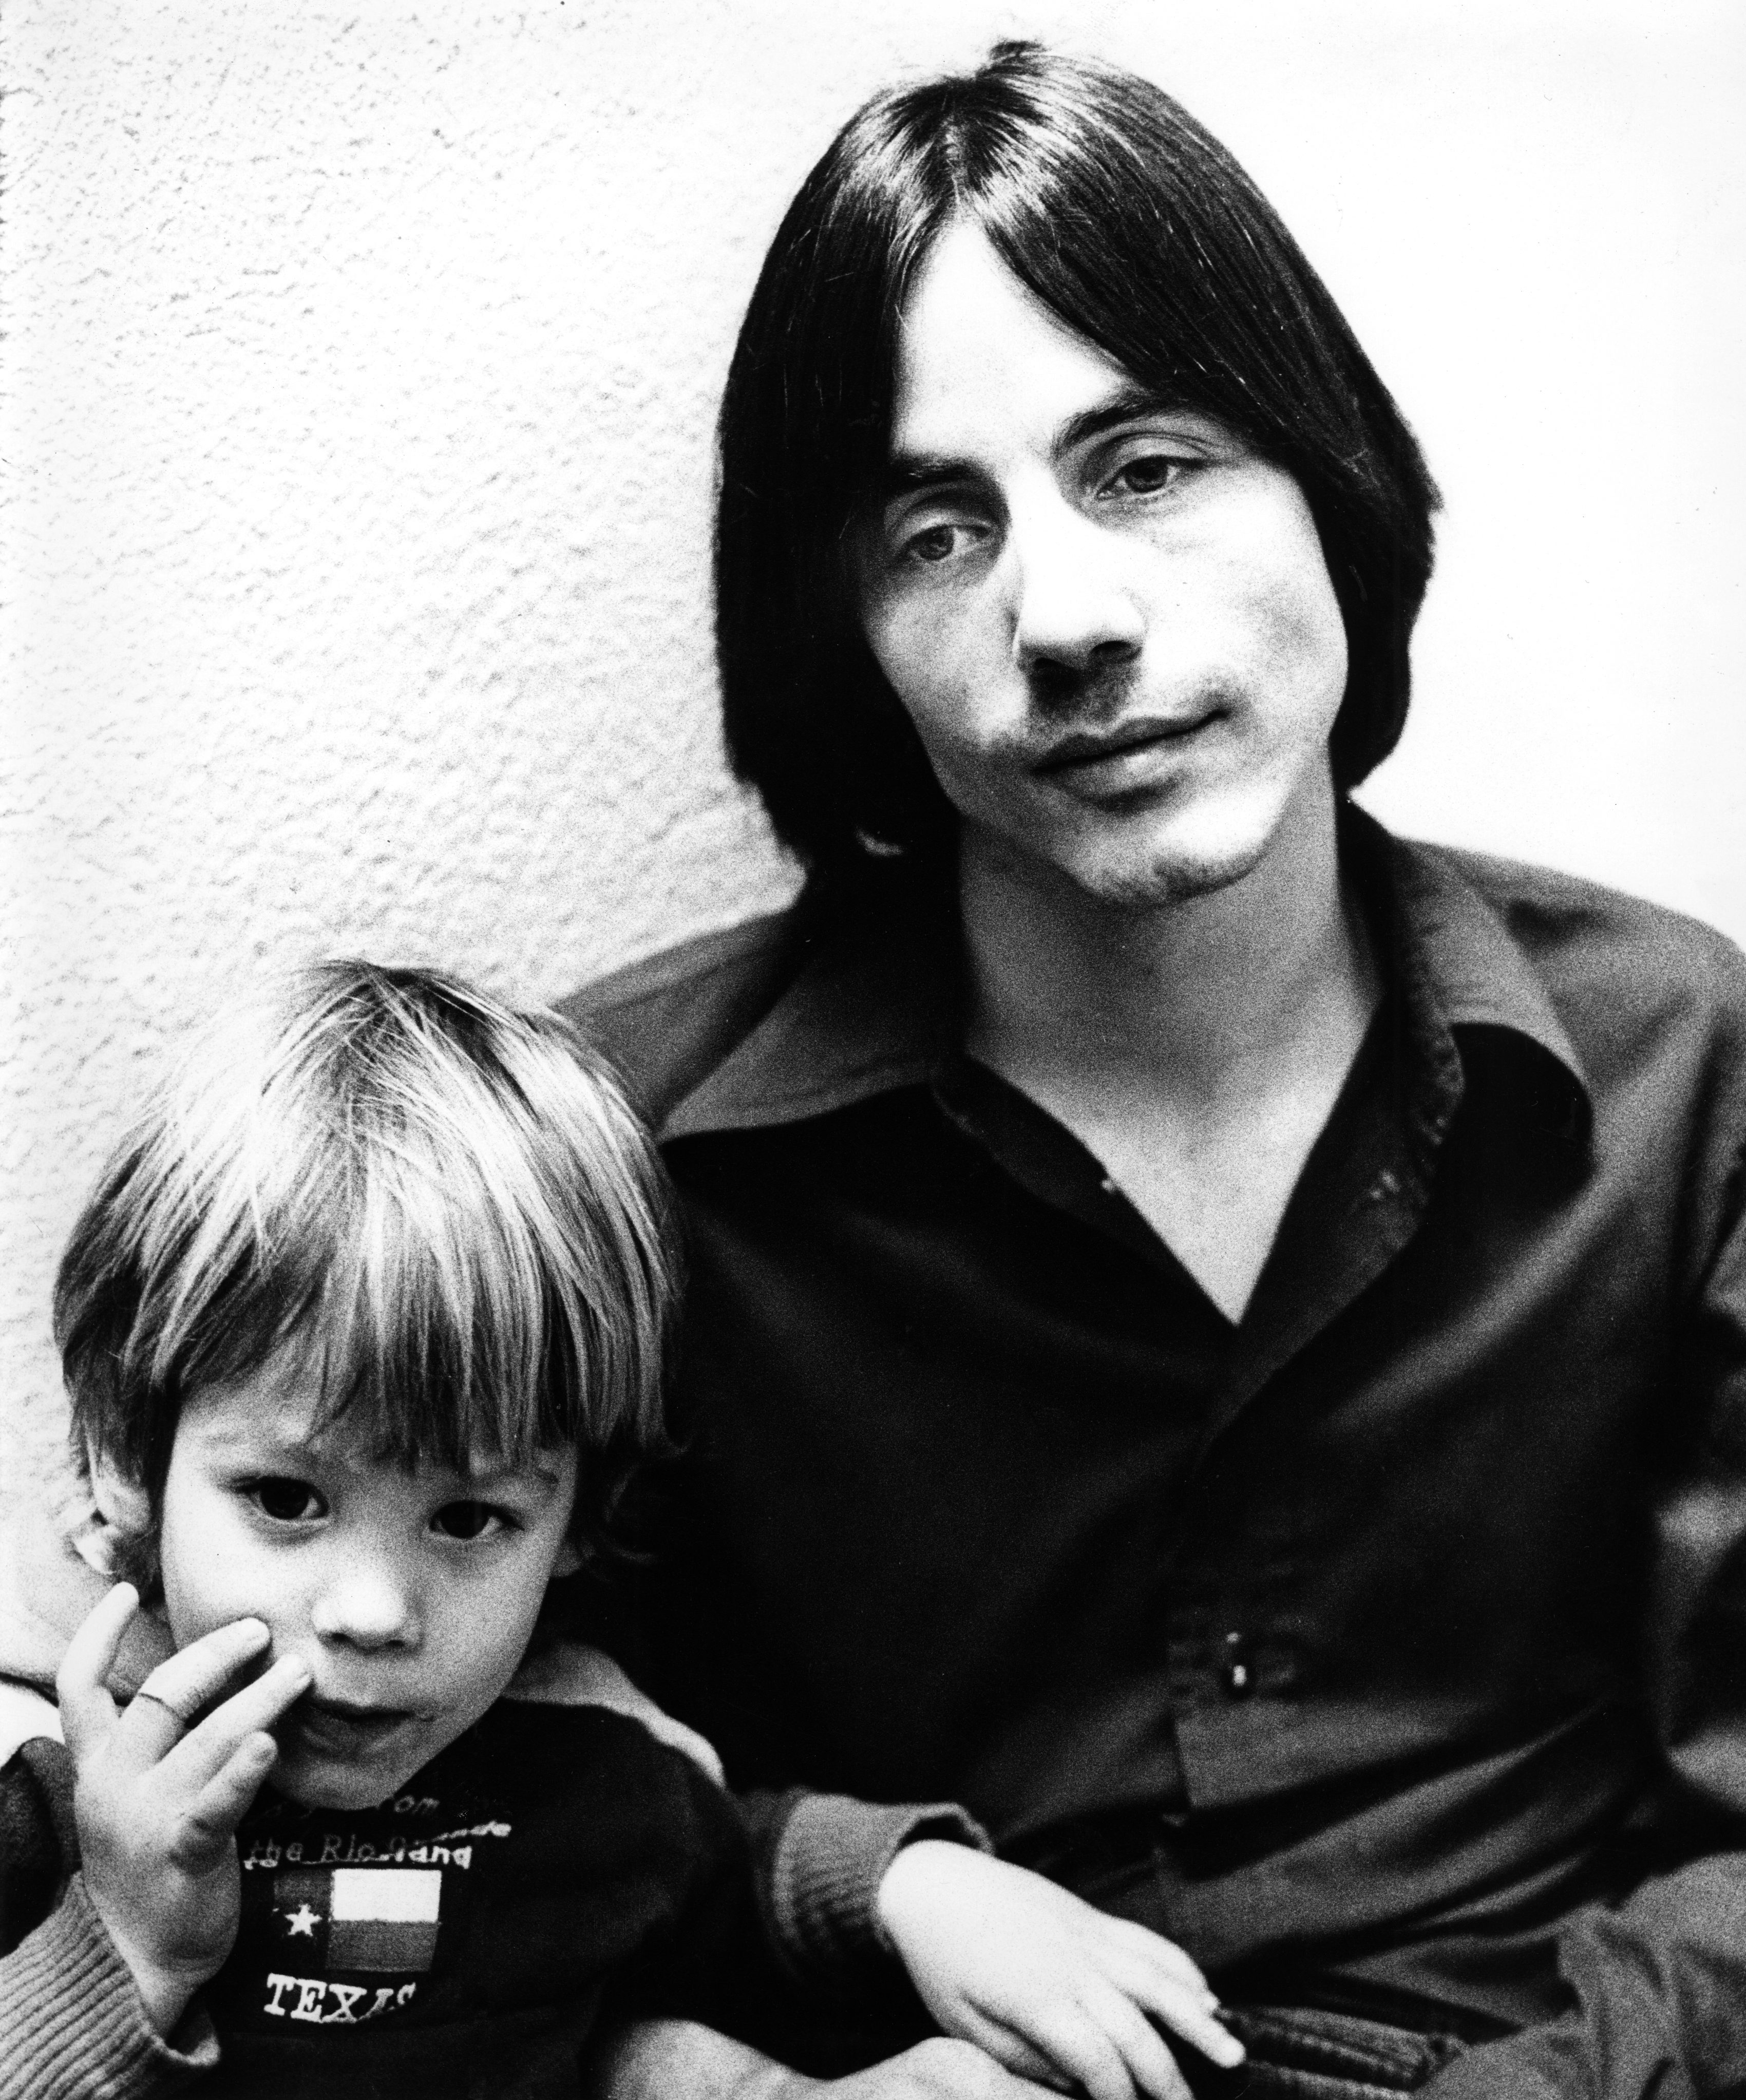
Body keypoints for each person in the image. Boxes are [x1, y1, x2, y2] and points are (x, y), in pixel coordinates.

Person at [568, 41, 1746, 2100]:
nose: (1067, 616)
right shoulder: (615, 1154)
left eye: (1146, 463)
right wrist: (804, 1958)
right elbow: (417, 1783)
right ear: (835, 628)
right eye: (937, 527)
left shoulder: (1678, 1060)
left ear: (1330, 487)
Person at [0, 961, 1242, 2098]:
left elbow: (727, 1867)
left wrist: (917, 1889)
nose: (373, 1608)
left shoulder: (573, 1748)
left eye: (470, 1517)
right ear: (126, 1459)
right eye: (285, 1499)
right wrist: (124, 1946)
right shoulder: (45, 1777)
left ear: (581, 1519)